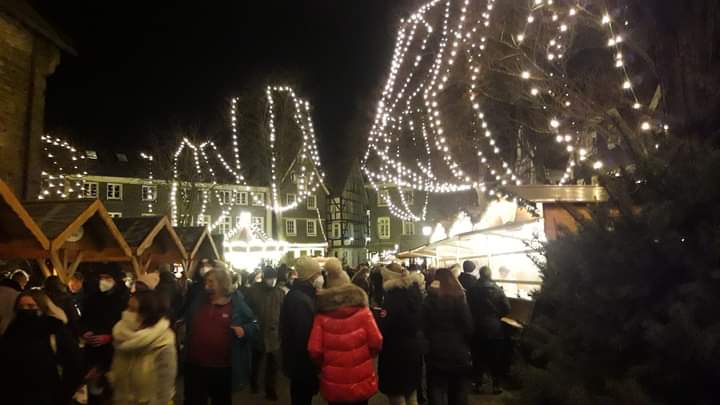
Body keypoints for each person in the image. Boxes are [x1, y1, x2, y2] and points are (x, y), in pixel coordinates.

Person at [308, 258, 383, 405]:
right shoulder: (363, 312)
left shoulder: (321, 316)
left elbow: (314, 349)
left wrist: (325, 363)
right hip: (360, 378)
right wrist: (366, 356)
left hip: (334, 381)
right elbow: (377, 341)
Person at [183, 263, 258, 405]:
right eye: (206, 281)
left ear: (222, 283)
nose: (206, 285)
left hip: (222, 368)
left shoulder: (236, 303)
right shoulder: (199, 301)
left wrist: (244, 330)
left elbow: (254, 324)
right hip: (195, 365)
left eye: (211, 282)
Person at [0, 289, 84, 405]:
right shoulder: (12, 330)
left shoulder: (54, 329)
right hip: (16, 396)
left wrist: (63, 394)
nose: (25, 310)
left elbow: (74, 364)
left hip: (49, 396)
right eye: (21, 307)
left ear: (42, 308)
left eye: (31, 306)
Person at [109, 273, 177, 405]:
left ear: (146, 315)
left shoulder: (163, 342)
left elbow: (164, 389)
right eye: (128, 308)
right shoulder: (122, 336)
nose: (126, 313)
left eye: (132, 310)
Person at [423, 268, 473, 405]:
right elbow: (469, 326)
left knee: (436, 388)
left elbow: (423, 326)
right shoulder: (459, 297)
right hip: (458, 350)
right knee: (458, 389)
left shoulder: (429, 299)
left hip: (435, 350)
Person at [81, 267, 130, 405]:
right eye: (101, 277)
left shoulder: (125, 299)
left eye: (107, 278)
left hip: (116, 352)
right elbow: (83, 320)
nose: (103, 281)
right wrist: (85, 331)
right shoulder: (92, 297)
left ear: (116, 279)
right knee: (94, 390)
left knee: (114, 392)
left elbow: (128, 327)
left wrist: (110, 337)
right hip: (94, 351)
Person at [279, 257, 324, 405]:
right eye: (318, 273)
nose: (320, 277)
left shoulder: (298, 295)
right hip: (302, 364)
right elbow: (304, 337)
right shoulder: (301, 300)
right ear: (311, 276)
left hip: (297, 362)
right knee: (302, 397)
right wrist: (313, 364)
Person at [378, 262, 423, 405]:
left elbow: (386, 326)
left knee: (396, 392)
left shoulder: (392, 297)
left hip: (394, 351)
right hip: (414, 348)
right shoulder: (415, 293)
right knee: (411, 392)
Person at [466, 266, 510, 395]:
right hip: (495, 327)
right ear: (490, 275)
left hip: (477, 327)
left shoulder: (472, 290)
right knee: (495, 357)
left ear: (480, 274)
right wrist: (496, 316)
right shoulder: (498, 289)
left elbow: (467, 307)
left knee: (478, 356)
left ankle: (478, 384)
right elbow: (507, 308)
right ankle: (496, 384)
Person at [245, 266, 285, 401]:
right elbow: (247, 309)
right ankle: (254, 383)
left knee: (273, 365)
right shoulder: (253, 291)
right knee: (256, 361)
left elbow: (283, 312)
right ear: (264, 278)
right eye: (269, 278)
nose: (272, 281)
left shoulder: (280, 293)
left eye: (274, 278)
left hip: (274, 334)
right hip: (259, 333)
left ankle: (270, 390)